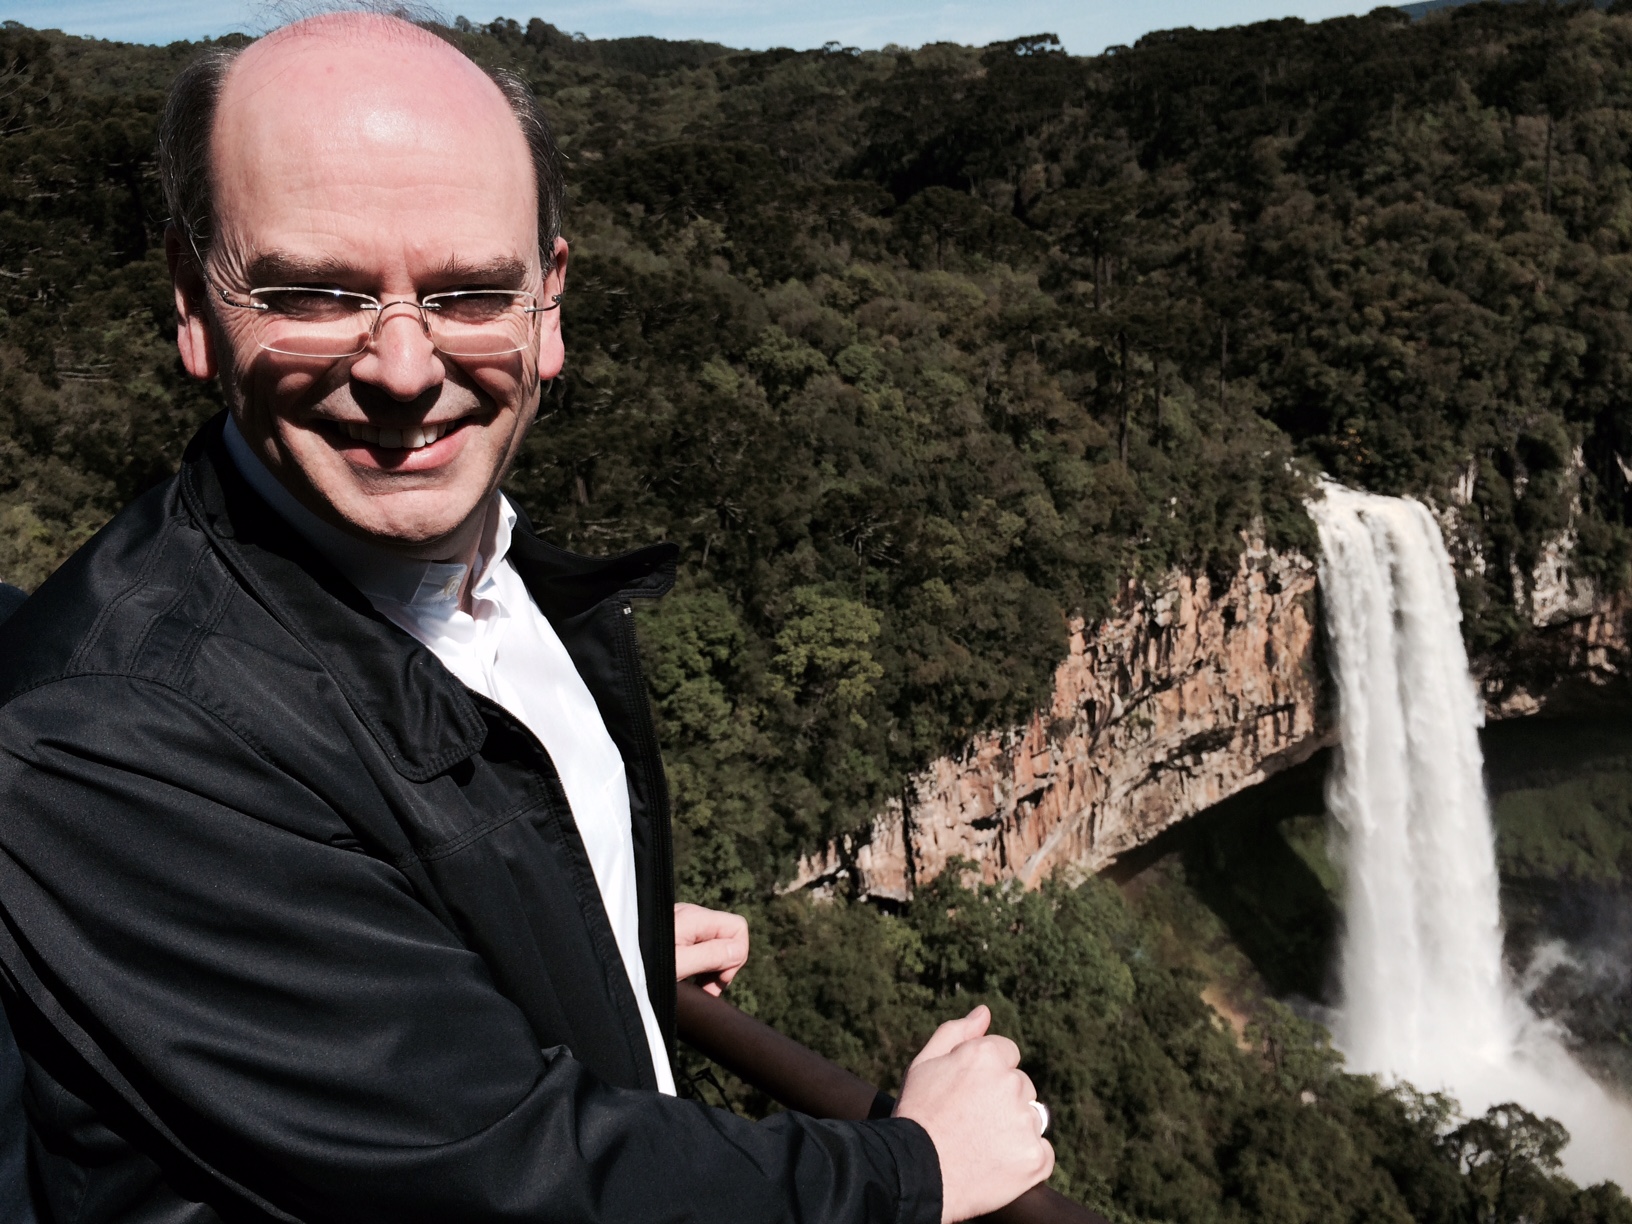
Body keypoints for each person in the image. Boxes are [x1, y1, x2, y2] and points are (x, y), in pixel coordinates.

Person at [0, 11, 1053, 1223]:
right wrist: (910, 1172)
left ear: (547, 305)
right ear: (195, 302)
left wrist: (582, 937)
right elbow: (512, 1180)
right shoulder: (111, 739)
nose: (403, 366)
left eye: (469, 291)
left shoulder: (499, 580)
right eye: (316, 290)